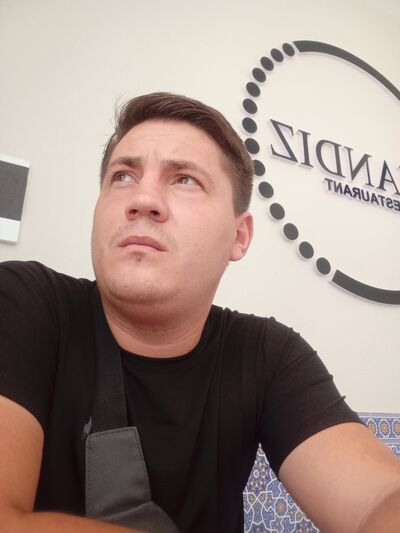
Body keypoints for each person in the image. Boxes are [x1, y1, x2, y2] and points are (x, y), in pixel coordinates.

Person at [0, 92, 399, 533]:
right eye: (123, 176)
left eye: (184, 179)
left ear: (239, 237)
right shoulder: (23, 303)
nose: (143, 198)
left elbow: (379, 500)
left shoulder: (266, 355)